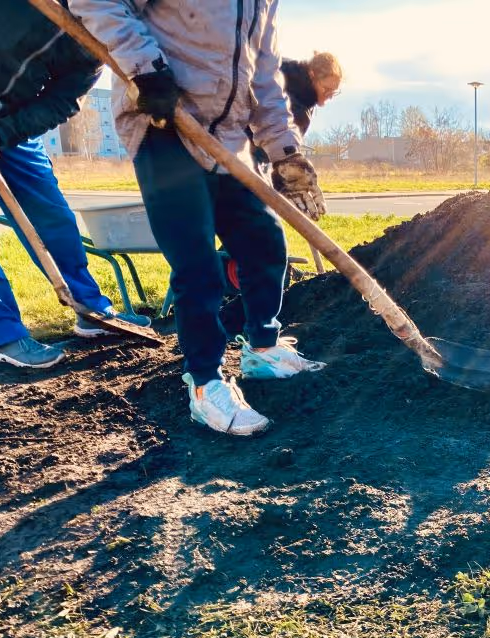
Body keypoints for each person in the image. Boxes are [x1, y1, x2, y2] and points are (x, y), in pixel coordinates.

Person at [70, 0, 329, 436]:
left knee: (265, 241)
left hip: (229, 139)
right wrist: (146, 68)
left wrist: (286, 151)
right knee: (198, 265)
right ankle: (206, 383)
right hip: (164, 123)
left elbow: (263, 77)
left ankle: (262, 349)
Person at [0, 0, 151, 370]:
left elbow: (63, 100)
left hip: (10, 123)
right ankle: (2, 335)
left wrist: (0, 134)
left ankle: (89, 309)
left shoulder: (96, 26)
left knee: (52, 215)